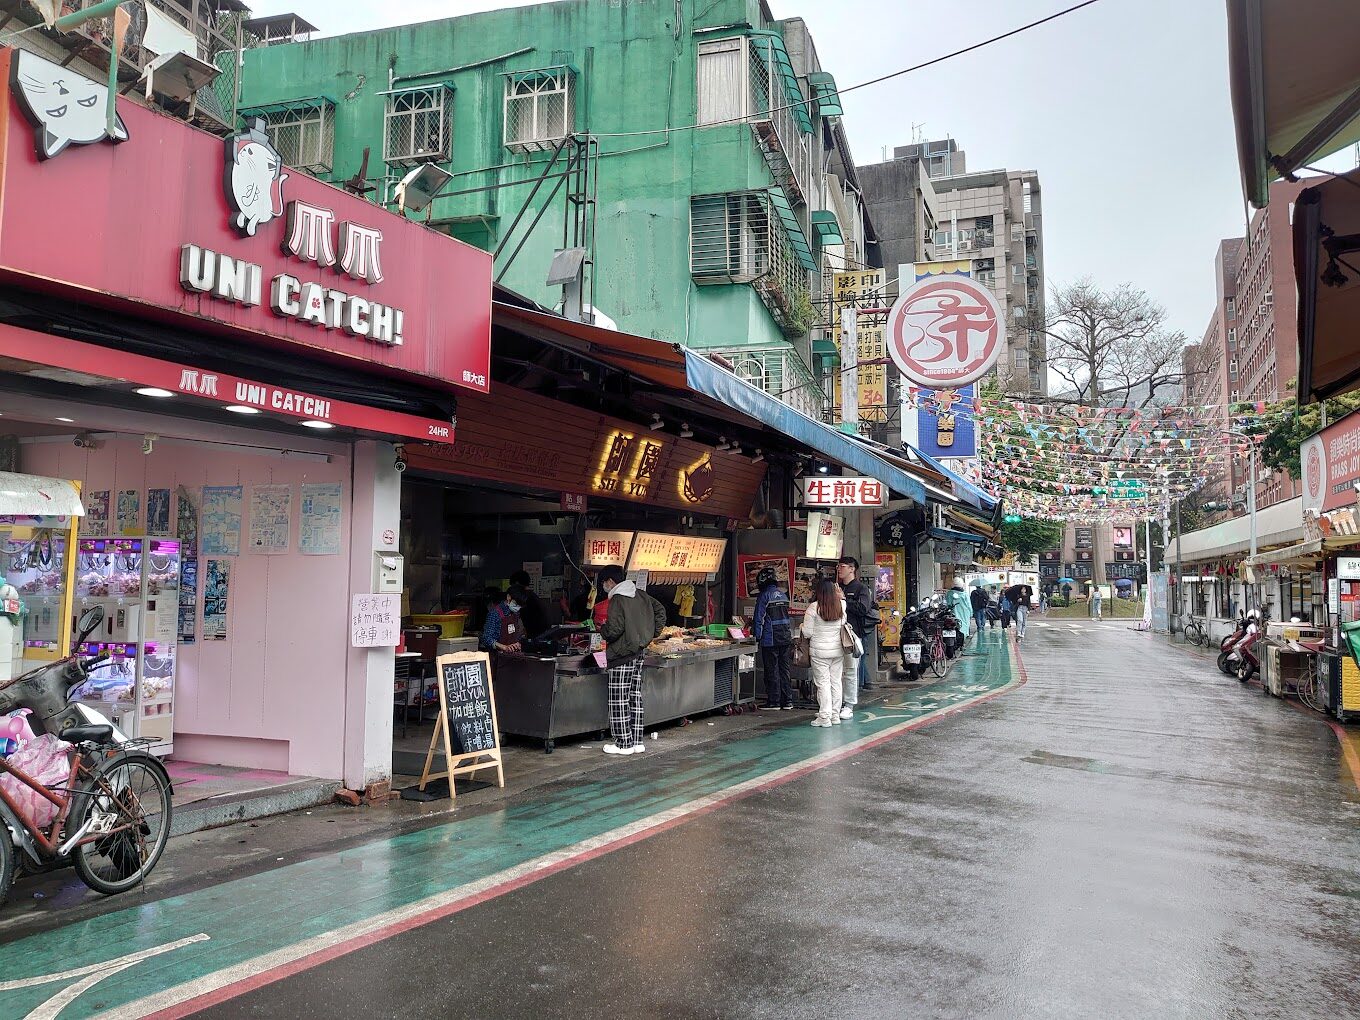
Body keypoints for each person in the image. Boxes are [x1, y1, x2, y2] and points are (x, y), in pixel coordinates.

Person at [596, 565, 668, 756]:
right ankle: (636, 741)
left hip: (621, 655)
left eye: (604, 583)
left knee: (618, 699)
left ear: (611, 581)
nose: (604, 587)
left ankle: (622, 743)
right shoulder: (641, 595)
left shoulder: (618, 599)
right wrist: (650, 634)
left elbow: (614, 630)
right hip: (638, 653)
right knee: (634, 696)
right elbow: (660, 610)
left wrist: (602, 630)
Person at [800, 578, 848, 727]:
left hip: (819, 652)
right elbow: (844, 624)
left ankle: (824, 716)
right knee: (836, 682)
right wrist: (842, 597)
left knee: (823, 683)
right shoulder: (841, 605)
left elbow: (807, 633)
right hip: (837, 651)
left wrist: (802, 626)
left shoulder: (813, 608)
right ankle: (835, 715)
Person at [837, 556, 878, 716]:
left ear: (852, 569)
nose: (839, 569)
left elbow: (863, 608)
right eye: (838, 566)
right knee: (837, 671)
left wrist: (844, 600)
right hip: (836, 634)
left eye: (842, 566)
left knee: (851, 670)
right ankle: (836, 703)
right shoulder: (837, 587)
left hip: (854, 635)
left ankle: (849, 704)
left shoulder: (861, 589)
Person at [752, 567, 794, 710]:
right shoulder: (783, 595)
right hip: (785, 636)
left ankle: (774, 701)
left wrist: (756, 637)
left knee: (771, 669)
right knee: (784, 669)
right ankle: (787, 700)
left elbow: (759, 619)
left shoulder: (764, 596)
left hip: (770, 638)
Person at [479, 587, 524, 654]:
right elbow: (486, 638)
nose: (518, 607)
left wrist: (517, 643)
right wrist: (504, 647)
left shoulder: (515, 613)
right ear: (509, 597)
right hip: (498, 657)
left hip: (513, 655)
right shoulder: (494, 614)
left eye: (520, 605)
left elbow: (516, 632)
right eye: (516, 604)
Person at [508, 570, 549, 638]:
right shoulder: (533, 596)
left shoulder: (525, 597)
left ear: (517, 583)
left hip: (535, 638)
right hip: (541, 636)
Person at [946, 578, 972, 645]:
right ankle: (962, 640)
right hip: (965, 613)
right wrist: (971, 613)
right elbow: (969, 605)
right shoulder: (965, 594)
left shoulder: (949, 593)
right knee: (964, 626)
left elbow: (948, 603)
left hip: (953, 612)